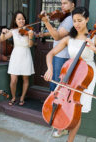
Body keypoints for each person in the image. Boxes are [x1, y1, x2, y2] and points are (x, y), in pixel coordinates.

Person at [43, 7, 96, 142]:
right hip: (69, 74)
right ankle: (61, 127)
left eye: (80, 20)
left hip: (85, 76)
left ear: (86, 20)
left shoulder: (95, 39)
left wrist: (95, 49)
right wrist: (49, 69)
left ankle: (70, 140)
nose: (77, 24)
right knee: (61, 102)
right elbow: (50, 54)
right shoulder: (69, 38)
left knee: (76, 110)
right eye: (74, 21)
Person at [40, 0, 76, 137]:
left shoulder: (70, 19)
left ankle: (57, 120)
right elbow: (57, 34)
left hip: (62, 57)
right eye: (61, 3)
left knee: (57, 89)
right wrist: (45, 34)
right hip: (59, 55)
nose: (62, 6)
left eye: (65, 3)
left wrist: (46, 21)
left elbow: (57, 35)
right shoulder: (66, 19)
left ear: (73, 4)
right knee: (55, 88)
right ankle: (54, 117)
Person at [0, 11, 34, 106]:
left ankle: (22, 98)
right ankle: (14, 97)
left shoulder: (29, 30)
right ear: (15, 20)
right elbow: (2, 39)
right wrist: (3, 32)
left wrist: (31, 36)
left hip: (26, 54)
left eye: (23, 19)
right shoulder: (13, 31)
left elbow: (30, 45)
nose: (21, 20)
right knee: (13, 80)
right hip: (16, 55)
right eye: (19, 19)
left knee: (25, 79)